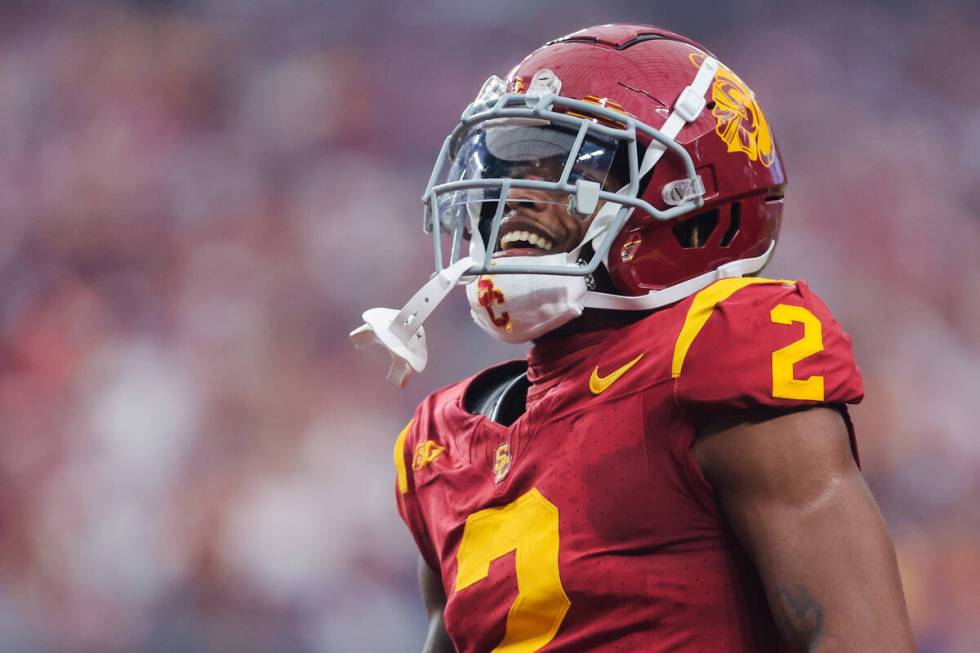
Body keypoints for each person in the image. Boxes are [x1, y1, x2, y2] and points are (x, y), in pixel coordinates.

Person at [352, 23, 915, 652]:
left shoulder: (716, 354)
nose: (518, 200)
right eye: (511, 170)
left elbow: (859, 636)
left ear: (692, 196)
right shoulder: (440, 442)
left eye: (568, 170)